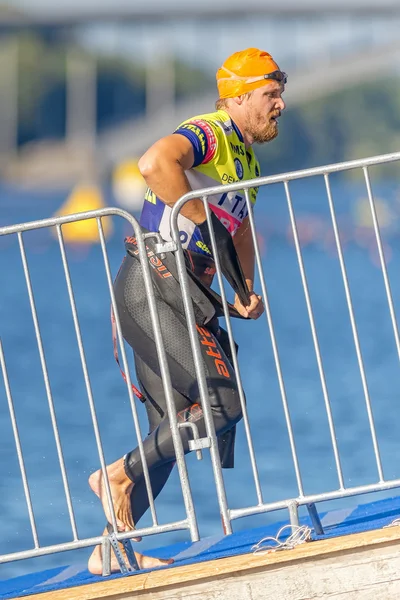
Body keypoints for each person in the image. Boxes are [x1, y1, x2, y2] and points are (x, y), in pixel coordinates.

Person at [88, 47, 286, 575]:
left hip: (184, 295)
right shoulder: (210, 131)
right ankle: (114, 475)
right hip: (152, 287)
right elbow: (154, 162)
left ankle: (113, 549)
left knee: (174, 434)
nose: (280, 104)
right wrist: (197, 214)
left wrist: (243, 289)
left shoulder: (247, 161)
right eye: (270, 94)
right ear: (238, 97)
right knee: (221, 406)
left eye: (279, 94)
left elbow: (238, 231)